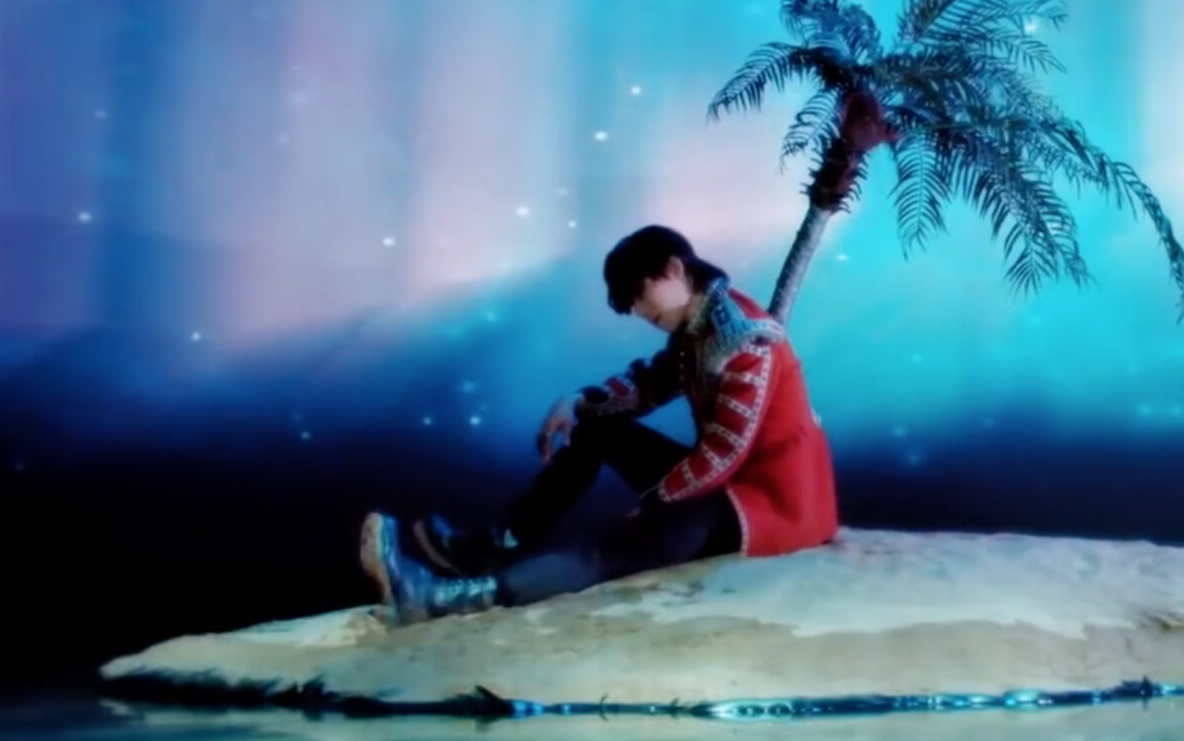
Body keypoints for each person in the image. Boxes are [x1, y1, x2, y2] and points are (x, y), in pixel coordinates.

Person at [359, 225, 840, 624]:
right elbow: (652, 383)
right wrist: (581, 402)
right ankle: (494, 548)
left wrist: (656, 502)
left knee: (624, 545)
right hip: (727, 485)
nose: (638, 311)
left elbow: (723, 455)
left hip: (771, 506)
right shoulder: (700, 323)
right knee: (596, 428)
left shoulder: (743, 339)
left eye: (639, 295)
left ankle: (444, 600)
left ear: (674, 270)